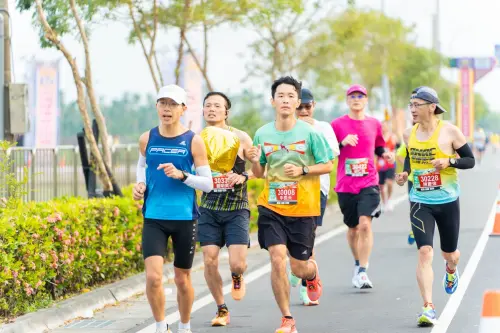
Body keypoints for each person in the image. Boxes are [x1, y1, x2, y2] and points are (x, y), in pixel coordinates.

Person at [248, 76, 334, 333]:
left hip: (304, 208)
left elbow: (328, 164)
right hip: (271, 206)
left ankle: (311, 273)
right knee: (276, 259)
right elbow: (260, 172)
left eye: (290, 96)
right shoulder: (262, 133)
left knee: (298, 266)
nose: (285, 100)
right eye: (280, 96)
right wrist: (253, 160)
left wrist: (303, 169)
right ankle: (287, 318)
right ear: (272, 101)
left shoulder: (310, 133)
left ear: (298, 101)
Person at [132, 84, 214, 333]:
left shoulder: (193, 141)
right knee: (153, 278)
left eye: (172, 104)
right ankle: (160, 326)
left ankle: (185, 326)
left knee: (182, 278)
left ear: (183, 109)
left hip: (184, 218)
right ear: (157, 106)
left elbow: (208, 184)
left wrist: (182, 175)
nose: (167, 109)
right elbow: (142, 167)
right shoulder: (147, 138)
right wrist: (140, 184)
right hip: (154, 217)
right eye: (162, 103)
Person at [395, 86, 475, 327]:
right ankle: (428, 307)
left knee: (450, 253)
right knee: (425, 252)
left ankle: (451, 268)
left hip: (448, 201)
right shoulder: (409, 134)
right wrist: (405, 173)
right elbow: (409, 155)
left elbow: (470, 160)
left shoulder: (450, 132)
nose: (412, 110)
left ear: (432, 107)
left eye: (416, 105)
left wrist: (449, 161)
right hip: (421, 201)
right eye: (410, 106)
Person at [197, 92, 253, 327]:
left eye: (217, 106)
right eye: (207, 105)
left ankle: (237, 275)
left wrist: (243, 176)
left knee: (237, 263)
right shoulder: (196, 139)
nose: (211, 109)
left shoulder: (240, 138)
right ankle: (222, 308)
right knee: (209, 260)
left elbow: (261, 170)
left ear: (226, 112)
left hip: (236, 208)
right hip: (208, 208)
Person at [331, 84, 394, 289]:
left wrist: (384, 154)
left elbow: (378, 146)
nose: (356, 99)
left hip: (368, 182)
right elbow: (328, 152)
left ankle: (363, 271)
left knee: (365, 224)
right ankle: (357, 264)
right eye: (352, 96)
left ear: (366, 100)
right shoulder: (337, 125)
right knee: (353, 228)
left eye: (360, 96)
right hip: (345, 184)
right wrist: (342, 143)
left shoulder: (374, 123)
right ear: (347, 101)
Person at [289, 87, 340, 306]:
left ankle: (305, 282)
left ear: (314, 106)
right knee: (288, 236)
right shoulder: (285, 128)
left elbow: (331, 156)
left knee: (307, 236)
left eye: (307, 107)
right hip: (289, 189)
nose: (303, 111)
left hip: (316, 189)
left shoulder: (324, 128)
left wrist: (312, 132)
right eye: (299, 107)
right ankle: (298, 266)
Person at [377, 120, 398, 212]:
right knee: (381, 185)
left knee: (389, 182)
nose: (383, 128)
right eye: (382, 126)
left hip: (390, 164)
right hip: (380, 164)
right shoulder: (378, 138)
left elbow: (397, 147)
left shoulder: (392, 137)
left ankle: (389, 199)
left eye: (385, 126)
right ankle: (384, 201)